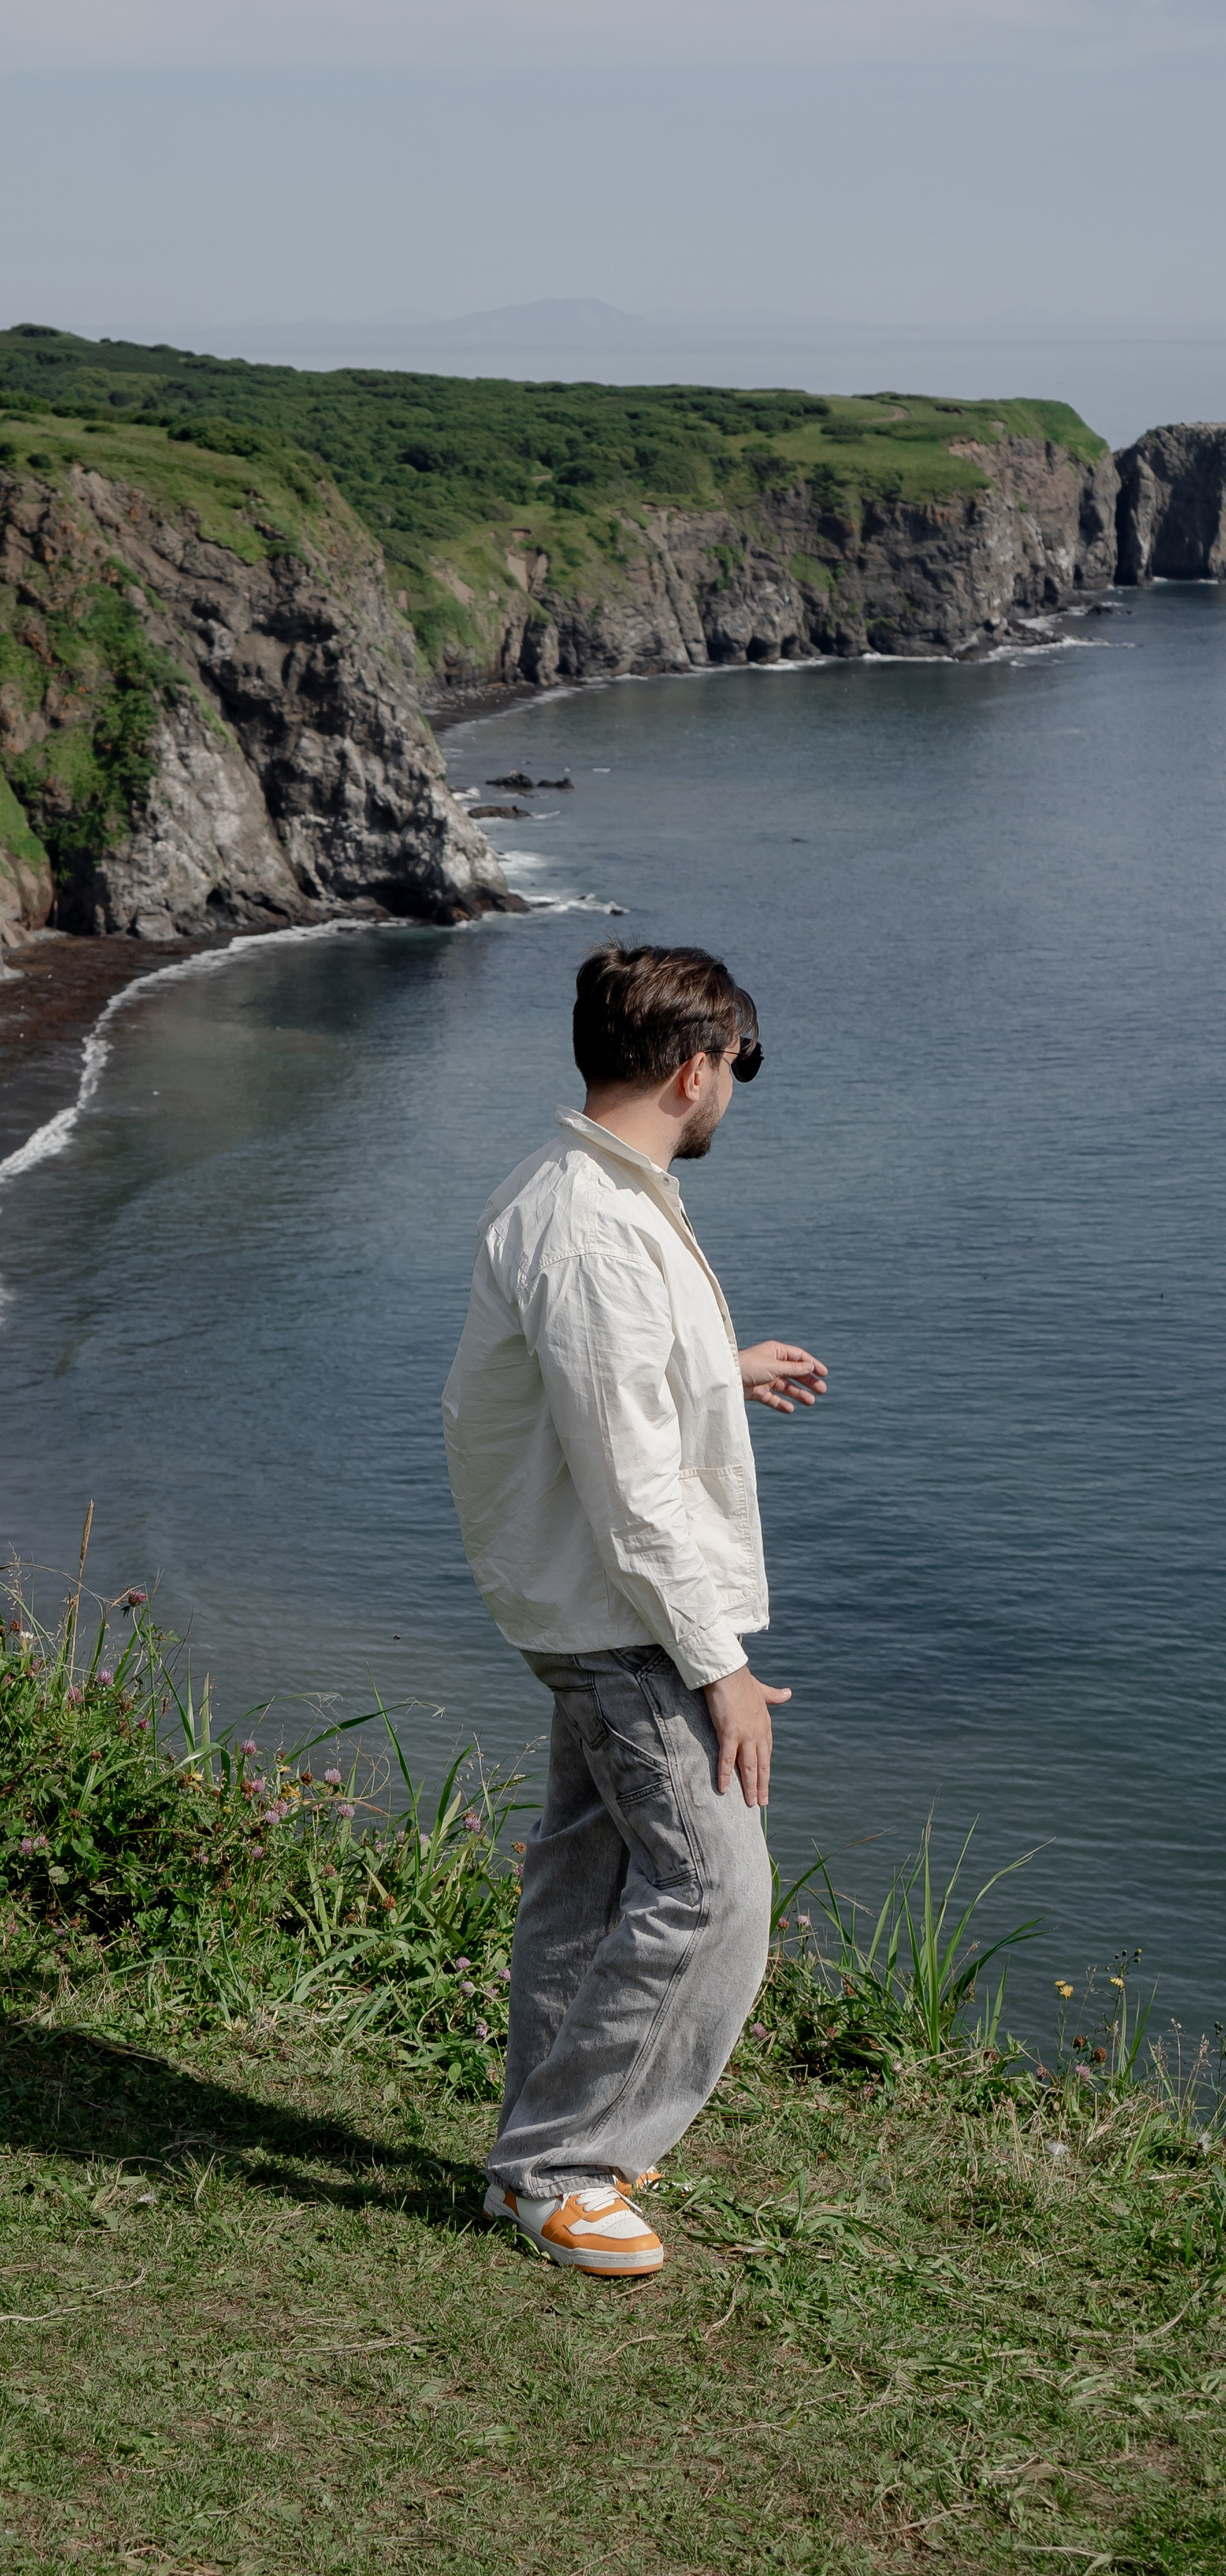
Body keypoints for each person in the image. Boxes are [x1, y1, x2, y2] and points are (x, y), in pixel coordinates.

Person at [442, 943, 826, 2277]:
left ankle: (545, 2145)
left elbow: (602, 1390)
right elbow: (631, 1481)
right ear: (692, 1065)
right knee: (718, 1887)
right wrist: (716, 1662)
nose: (736, 1093)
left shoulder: (582, 1190)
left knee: (589, 1877)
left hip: (586, 1597)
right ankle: (562, 2168)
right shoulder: (596, 1228)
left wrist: (720, 1368)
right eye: (739, 1069)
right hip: (619, 1609)